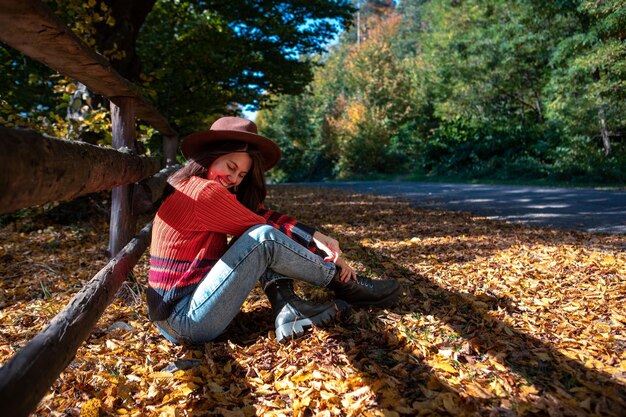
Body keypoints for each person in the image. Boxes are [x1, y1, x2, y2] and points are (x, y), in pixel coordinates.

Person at [147, 116, 401, 344]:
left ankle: (289, 308)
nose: (234, 179)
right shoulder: (202, 192)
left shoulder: (193, 187)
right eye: (230, 167)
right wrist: (335, 263)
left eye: (242, 175)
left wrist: (317, 236)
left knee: (255, 235)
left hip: (180, 316)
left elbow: (258, 215)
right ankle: (345, 284)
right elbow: (265, 231)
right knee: (262, 238)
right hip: (185, 321)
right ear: (210, 157)